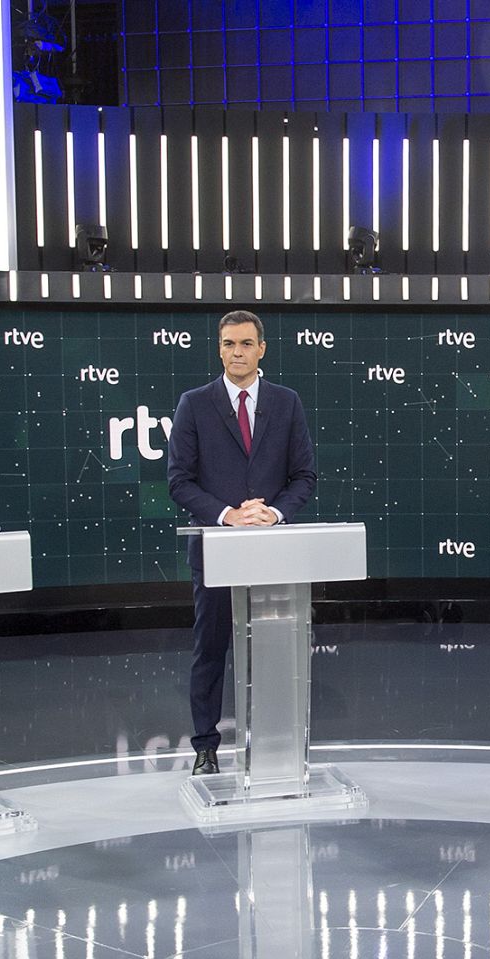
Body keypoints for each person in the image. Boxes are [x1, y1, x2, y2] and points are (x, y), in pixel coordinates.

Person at [167, 310, 317, 775]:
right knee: (210, 649)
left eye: (246, 344)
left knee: (273, 646)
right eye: (229, 344)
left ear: (261, 349)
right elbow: (179, 480)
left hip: (272, 551)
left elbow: (303, 476)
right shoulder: (194, 403)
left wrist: (271, 514)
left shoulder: (286, 402)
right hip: (216, 548)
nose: (238, 352)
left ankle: (273, 743)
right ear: (219, 348)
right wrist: (229, 515)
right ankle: (206, 747)